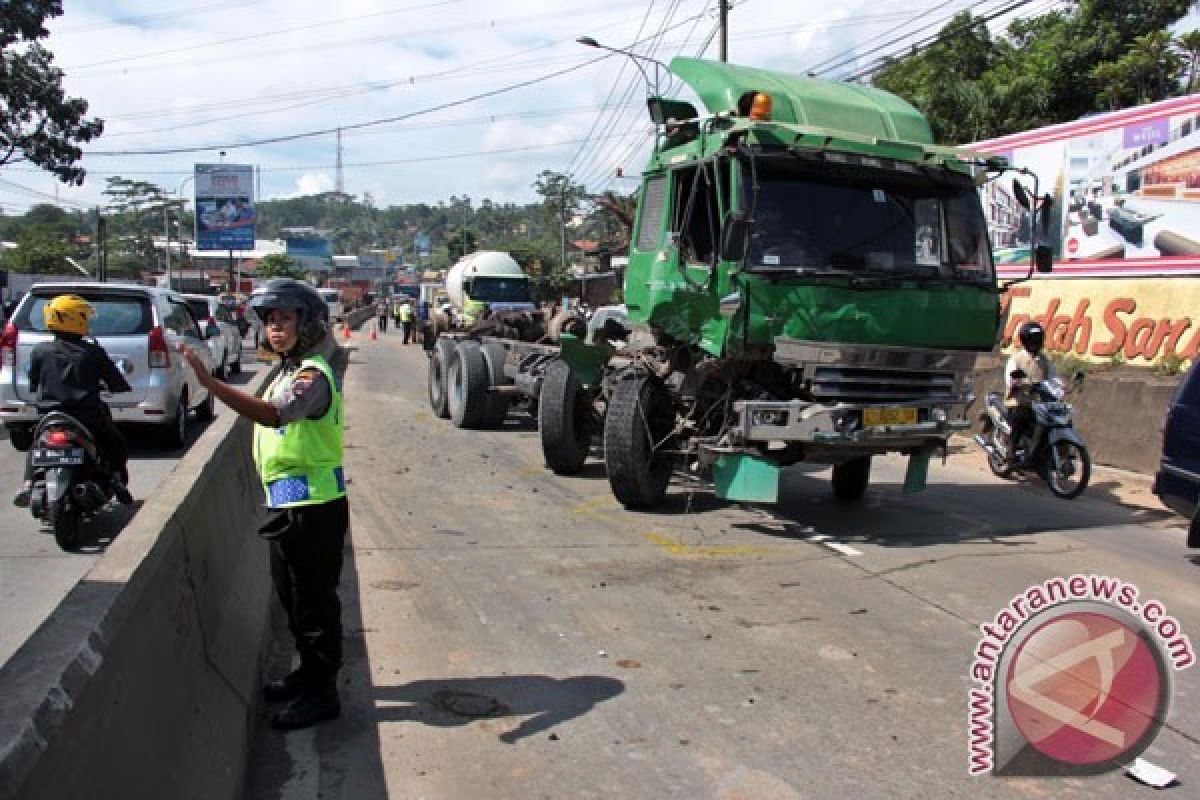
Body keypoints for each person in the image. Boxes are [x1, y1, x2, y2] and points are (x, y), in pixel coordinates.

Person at [179, 278, 348, 732]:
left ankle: (322, 693)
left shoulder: (312, 375)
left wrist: (209, 384)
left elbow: (275, 415)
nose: (275, 329)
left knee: (315, 605)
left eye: (285, 320)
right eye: (270, 321)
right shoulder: (288, 370)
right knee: (292, 599)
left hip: (316, 508)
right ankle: (307, 674)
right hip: (290, 505)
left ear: (308, 324)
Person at [14, 294, 133, 507]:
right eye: (83, 317)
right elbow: (115, 380)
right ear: (74, 319)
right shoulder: (92, 352)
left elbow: (34, 383)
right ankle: (116, 481)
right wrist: (118, 387)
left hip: (50, 416)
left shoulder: (40, 351)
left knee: (37, 444)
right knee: (116, 444)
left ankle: (27, 484)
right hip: (86, 416)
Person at [1004, 320, 1056, 467]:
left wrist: (1061, 387)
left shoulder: (1044, 360)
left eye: (1038, 339)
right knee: (1021, 417)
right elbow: (1010, 379)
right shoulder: (1016, 358)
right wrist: (1021, 382)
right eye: (1033, 339)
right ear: (1025, 340)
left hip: (1038, 403)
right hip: (1018, 401)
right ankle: (1011, 453)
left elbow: (1054, 377)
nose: (1036, 342)